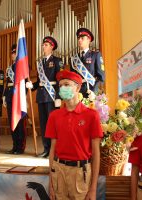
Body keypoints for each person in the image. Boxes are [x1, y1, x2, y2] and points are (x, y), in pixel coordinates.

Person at [45, 70, 103, 200]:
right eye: (60, 86)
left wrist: (93, 188)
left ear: (77, 87)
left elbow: (96, 153)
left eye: (66, 84)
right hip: (58, 172)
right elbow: (52, 149)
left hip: (80, 173)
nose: (62, 88)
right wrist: (51, 182)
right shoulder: (54, 116)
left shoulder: (91, 115)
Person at [26, 36, 63, 158]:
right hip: (41, 96)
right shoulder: (40, 63)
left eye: (46, 45)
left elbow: (60, 80)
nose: (43, 47)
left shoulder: (57, 61)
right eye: (43, 45)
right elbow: (40, 81)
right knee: (43, 125)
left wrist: (58, 97)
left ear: (52, 47)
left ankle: (55, 151)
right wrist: (33, 85)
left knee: (53, 125)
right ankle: (46, 149)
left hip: (52, 96)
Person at [3, 44, 27, 155]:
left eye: (15, 53)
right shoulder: (9, 68)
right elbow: (7, 82)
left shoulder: (22, 66)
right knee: (12, 122)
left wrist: (23, 96)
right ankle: (14, 146)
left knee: (19, 123)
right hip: (9, 97)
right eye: (12, 53)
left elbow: (25, 83)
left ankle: (20, 146)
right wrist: (4, 95)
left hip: (18, 97)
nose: (13, 55)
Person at [70, 28, 105, 99]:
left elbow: (101, 77)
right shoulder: (73, 59)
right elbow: (72, 79)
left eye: (82, 38)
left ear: (88, 40)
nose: (79, 40)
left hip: (91, 91)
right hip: (77, 93)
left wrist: (94, 91)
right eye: (79, 38)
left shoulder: (95, 55)